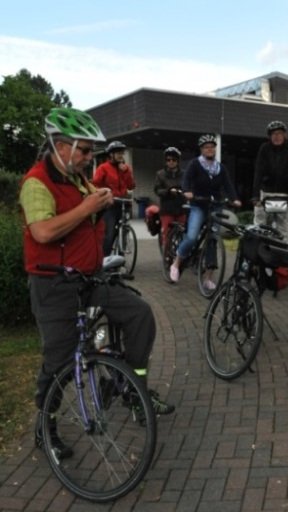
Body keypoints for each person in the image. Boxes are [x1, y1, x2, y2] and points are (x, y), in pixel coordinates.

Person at [19, 107, 175, 458]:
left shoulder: (77, 177)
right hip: (53, 284)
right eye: (85, 150)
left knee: (138, 315)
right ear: (61, 146)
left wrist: (101, 196)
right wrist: (89, 206)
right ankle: (47, 425)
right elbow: (42, 231)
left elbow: (90, 201)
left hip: (87, 278)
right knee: (58, 360)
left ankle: (131, 386)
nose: (91, 157)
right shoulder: (36, 182)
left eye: (92, 152)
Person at [170, 134, 241, 288]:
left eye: (212, 147)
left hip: (215, 205)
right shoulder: (195, 164)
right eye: (206, 147)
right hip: (198, 204)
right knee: (191, 237)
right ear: (201, 149)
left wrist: (234, 198)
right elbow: (186, 180)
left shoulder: (220, 168)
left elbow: (228, 185)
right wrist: (187, 191)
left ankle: (208, 278)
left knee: (213, 240)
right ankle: (176, 262)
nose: (209, 149)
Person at [252, 120, 288, 247]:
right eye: (273, 134)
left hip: (284, 195)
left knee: (284, 230)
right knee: (260, 227)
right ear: (269, 136)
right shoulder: (264, 148)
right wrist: (255, 196)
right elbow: (258, 171)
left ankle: (283, 260)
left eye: (280, 133)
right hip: (266, 193)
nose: (277, 136)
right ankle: (258, 257)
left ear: (285, 135)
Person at [93, 140, 136, 255]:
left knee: (123, 231)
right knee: (109, 233)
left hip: (123, 203)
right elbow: (95, 183)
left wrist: (126, 172)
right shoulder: (103, 168)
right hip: (110, 204)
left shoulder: (125, 168)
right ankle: (105, 260)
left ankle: (120, 258)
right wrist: (105, 193)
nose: (121, 156)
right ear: (111, 155)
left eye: (122, 153)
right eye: (118, 153)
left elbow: (131, 185)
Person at [154, 146, 187, 250]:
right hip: (167, 209)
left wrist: (185, 192)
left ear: (178, 161)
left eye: (173, 160)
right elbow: (157, 190)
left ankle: (181, 256)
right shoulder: (160, 174)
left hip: (181, 208)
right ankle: (168, 257)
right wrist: (168, 191)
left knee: (183, 234)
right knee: (167, 234)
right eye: (168, 160)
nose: (171, 162)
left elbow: (189, 188)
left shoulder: (184, 174)